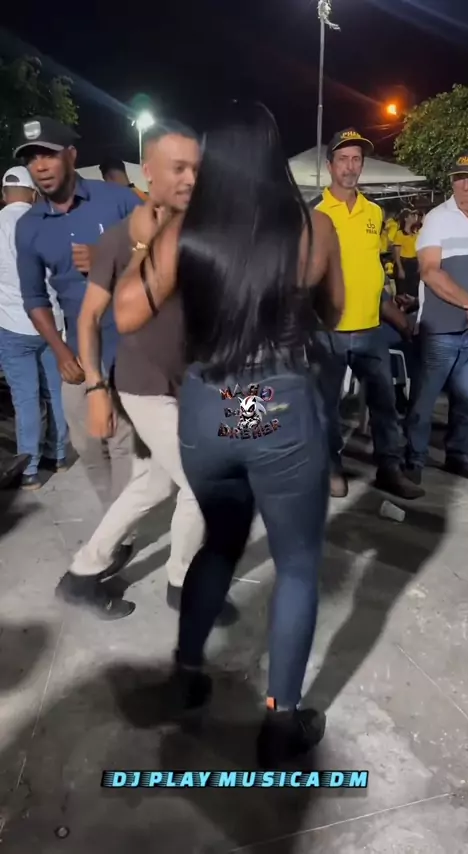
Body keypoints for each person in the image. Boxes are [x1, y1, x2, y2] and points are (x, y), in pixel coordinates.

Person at [114, 102, 345, 768]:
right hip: (276, 405)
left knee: (219, 541)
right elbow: (333, 311)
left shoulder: (184, 231)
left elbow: (126, 314)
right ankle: (280, 721)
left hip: (208, 409)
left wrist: (146, 240)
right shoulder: (312, 228)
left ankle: (187, 676)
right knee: (296, 564)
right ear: (274, 154)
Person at [66, 122, 235, 623]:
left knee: (152, 485)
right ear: (150, 172)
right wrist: (96, 388)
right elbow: (88, 318)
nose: (191, 179)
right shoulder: (120, 240)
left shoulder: (199, 234)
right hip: (143, 386)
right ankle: (184, 584)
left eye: (197, 169)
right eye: (178, 168)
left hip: (188, 385)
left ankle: (82, 573)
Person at [15, 117, 142, 589]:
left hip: (131, 345)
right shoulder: (29, 227)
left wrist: (115, 256)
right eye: (31, 158)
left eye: (47, 154)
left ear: (71, 154)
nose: (40, 166)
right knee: (88, 444)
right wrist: (59, 350)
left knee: (123, 442)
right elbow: (34, 297)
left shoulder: (117, 199)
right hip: (78, 352)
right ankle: (116, 517)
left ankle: (119, 535)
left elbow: (165, 247)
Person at [315, 129, 424, 500]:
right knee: (326, 407)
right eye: (343, 159)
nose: (350, 167)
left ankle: (389, 469)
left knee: (385, 405)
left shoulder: (374, 213)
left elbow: (373, 273)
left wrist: (398, 318)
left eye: (356, 159)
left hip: (371, 328)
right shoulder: (314, 212)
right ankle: (331, 468)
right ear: (330, 165)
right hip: (328, 331)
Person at [405, 150, 468, 485]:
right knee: (425, 397)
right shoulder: (437, 218)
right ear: (452, 181)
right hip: (441, 328)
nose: (465, 184)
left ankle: (459, 456)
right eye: (459, 178)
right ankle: (413, 460)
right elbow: (429, 271)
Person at [0, 166, 67, 490]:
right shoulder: (47, 224)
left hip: (12, 325)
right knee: (55, 392)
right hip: (51, 324)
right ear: (33, 194)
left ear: (3, 195)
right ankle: (59, 454)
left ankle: (29, 470)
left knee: (25, 398)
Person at [393, 209, 420, 297]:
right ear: (405, 218)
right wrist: (400, 269)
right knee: (402, 291)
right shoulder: (400, 234)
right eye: (411, 216)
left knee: (413, 291)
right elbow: (397, 254)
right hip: (404, 263)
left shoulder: (415, 234)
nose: (414, 217)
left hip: (414, 263)